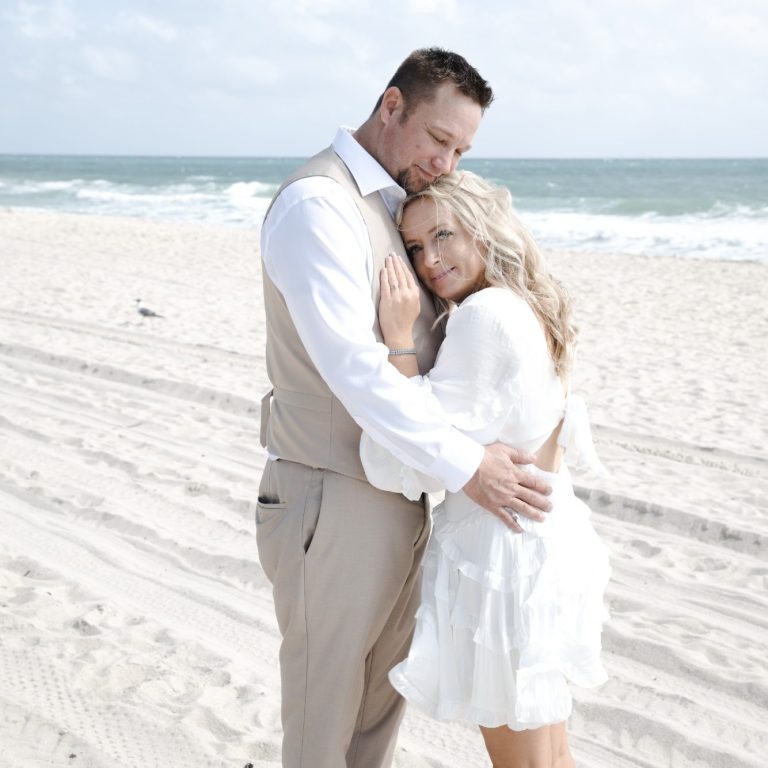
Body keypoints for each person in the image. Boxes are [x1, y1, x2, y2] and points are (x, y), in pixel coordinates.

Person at [258, 48, 555, 768]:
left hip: (406, 491)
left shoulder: (401, 204)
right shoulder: (317, 204)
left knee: (373, 717)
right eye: (438, 139)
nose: (447, 162)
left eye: (462, 149)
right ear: (391, 106)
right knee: (323, 716)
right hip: (332, 493)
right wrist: (468, 466)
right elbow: (356, 371)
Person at [360, 170, 611, 768]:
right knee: (550, 755)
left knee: (524, 762)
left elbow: (405, 453)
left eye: (442, 235)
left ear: (482, 229)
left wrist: (398, 343)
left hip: (502, 556)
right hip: (542, 539)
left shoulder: (483, 317)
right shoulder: (525, 306)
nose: (428, 260)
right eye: (416, 247)